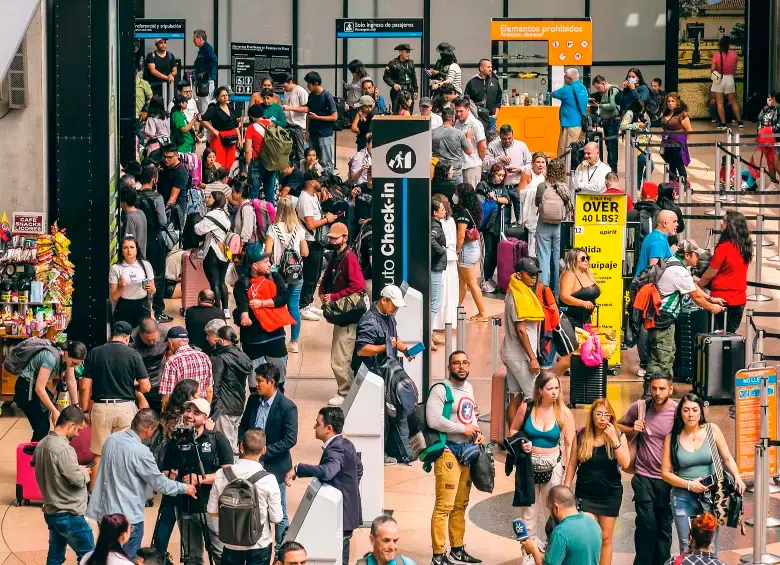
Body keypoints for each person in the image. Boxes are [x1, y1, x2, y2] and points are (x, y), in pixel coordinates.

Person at [87, 410, 196, 559]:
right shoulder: (142, 452)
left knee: (108, 558)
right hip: (127, 518)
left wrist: (156, 474)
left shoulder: (111, 440)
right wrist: (185, 488)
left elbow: (124, 471)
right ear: (149, 430)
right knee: (127, 560)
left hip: (105, 515)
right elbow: (160, 485)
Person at [661, 393, 745, 554]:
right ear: (680, 413)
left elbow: (727, 458)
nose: (691, 414)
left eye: (694, 409)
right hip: (683, 495)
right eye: (686, 410)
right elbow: (665, 473)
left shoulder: (711, 430)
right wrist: (689, 484)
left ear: (701, 411)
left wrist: (737, 477)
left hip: (711, 495)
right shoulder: (672, 438)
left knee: (710, 543)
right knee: (686, 544)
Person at [426, 350, 485, 565]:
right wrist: (463, 428)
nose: (461, 367)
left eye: (465, 363)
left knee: (461, 505)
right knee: (444, 506)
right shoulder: (441, 389)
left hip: (467, 453)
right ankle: (438, 554)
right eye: (456, 363)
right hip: (448, 453)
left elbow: (472, 416)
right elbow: (433, 420)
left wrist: (477, 433)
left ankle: (457, 549)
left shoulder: (468, 388)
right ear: (449, 367)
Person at [159, 399, 233, 565]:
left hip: (211, 507)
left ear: (206, 418)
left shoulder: (217, 439)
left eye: (196, 412)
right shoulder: (176, 440)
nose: (189, 415)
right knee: (192, 558)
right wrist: (170, 476)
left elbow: (228, 473)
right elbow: (165, 470)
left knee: (220, 554)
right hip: (184, 506)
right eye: (187, 411)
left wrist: (200, 479)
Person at [509, 372, 575, 556]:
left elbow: (570, 444)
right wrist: (522, 442)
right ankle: (528, 554)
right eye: (549, 389)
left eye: (556, 388)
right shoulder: (527, 407)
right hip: (528, 467)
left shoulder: (563, 412)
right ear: (540, 391)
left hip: (553, 466)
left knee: (553, 513)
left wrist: (568, 473)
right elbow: (514, 429)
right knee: (528, 514)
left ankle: (552, 554)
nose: (554, 393)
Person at [286, 407, 362, 565]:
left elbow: (328, 472)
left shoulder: (335, 448)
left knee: (340, 556)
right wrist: (349, 489)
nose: (314, 427)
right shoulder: (346, 443)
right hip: (348, 510)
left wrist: (299, 468)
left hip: (341, 513)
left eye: (317, 424)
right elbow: (359, 469)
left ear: (328, 428)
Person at [616, 374, 676, 565]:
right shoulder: (640, 408)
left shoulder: (677, 412)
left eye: (662, 389)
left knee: (664, 527)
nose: (657, 393)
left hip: (668, 479)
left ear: (671, 390)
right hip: (643, 476)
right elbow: (617, 424)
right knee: (646, 524)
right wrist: (633, 429)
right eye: (654, 388)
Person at [80, 321, 150, 483]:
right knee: (123, 453)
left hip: (101, 408)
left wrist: (84, 410)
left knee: (99, 454)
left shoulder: (95, 353)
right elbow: (145, 387)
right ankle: (120, 495)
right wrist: (131, 385)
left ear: (111, 335)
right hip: (126, 408)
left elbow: (84, 386)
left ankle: (94, 496)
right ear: (127, 338)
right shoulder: (133, 354)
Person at [239, 363, 298, 551]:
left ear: (271, 382)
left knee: (279, 514)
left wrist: (264, 452)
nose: (255, 384)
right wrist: (242, 443)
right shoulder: (253, 400)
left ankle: (281, 553)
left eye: (259, 381)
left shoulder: (288, 407)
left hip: (275, 468)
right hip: (250, 464)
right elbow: (243, 425)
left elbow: (290, 439)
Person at [564, 399, 629, 565]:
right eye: (599, 414)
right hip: (585, 494)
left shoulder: (618, 435)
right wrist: (565, 489)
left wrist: (614, 439)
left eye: (606, 415)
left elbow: (625, 463)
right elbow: (572, 464)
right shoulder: (581, 435)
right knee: (588, 537)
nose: (602, 418)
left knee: (606, 538)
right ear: (592, 415)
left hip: (610, 494)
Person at [646, 240, 725, 377]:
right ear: (687, 255)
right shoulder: (679, 272)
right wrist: (712, 308)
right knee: (661, 359)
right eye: (696, 255)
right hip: (663, 318)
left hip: (660, 317)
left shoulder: (671, 261)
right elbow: (696, 297)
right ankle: (653, 393)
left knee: (667, 355)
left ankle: (661, 390)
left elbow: (692, 288)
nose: (699, 259)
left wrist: (711, 299)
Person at [207, 428, 282, 565]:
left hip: (230, 543)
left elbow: (212, 510)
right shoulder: (269, 479)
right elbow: (277, 517)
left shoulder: (222, 474)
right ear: (264, 450)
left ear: (241, 447)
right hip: (259, 543)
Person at [34, 406, 94, 565]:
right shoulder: (64, 449)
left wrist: (75, 468)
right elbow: (77, 480)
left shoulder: (42, 443)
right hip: (69, 514)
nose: (78, 434)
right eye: (78, 429)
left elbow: (50, 467)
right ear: (71, 425)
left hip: (52, 511)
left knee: (55, 556)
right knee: (90, 557)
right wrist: (85, 473)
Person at [319, 222, 366, 406]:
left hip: (348, 317)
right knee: (342, 355)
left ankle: (345, 392)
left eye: (335, 238)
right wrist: (323, 291)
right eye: (330, 237)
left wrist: (334, 296)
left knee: (340, 358)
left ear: (345, 238)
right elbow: (327, 278)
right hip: (342, 315)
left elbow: (358, 285)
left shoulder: (349, 258)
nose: (331, 240)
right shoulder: (337, 255)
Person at [234, 249, 292, 387]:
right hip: (253, 338)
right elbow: (242, 302)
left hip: (275, 334)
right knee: (255, 382)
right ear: (254, 265)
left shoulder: (275, 277)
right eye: (266, 262)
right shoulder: (242, 282)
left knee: (279, 377)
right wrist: (244, 315)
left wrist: (261, 303)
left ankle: (277, 400)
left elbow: (284, 298)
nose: (270, 264)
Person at [265, 199, 308, 352]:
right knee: (294, 306)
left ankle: (277, 338)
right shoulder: (299, 229)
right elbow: (305, 252)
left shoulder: (273, 228)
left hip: (278, 274)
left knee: (277, 303)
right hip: (296, 273)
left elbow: (268, 251)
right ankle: (294, 342)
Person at [519, 486, 602, 565]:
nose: (550, 514)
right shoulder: (593, 523)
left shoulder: (560, 532)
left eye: (549, 508)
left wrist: (533, 549)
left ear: (556, 508)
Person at [698, 210, 751, 332]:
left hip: (722, 299)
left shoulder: (724, 247)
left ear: (731, 226)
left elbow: (711, 273)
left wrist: (699, 285)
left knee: (719, 335)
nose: (721, 223)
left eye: (724, 221)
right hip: (740, 299)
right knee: (731, 334)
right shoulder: (745, 246)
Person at [555, 249, 600, 376]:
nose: (586, 260)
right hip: (570, 319)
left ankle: (580, 383)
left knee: (584, 352)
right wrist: (582, 303)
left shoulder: (587, 274)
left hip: (585, 319)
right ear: (574, 260)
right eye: (582, 258)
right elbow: (564, 296)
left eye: (587, 258)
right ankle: (551, 381)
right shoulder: (570, 275)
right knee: (570, 355)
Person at [135, 163, 170, 323]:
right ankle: (157, 309)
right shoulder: (158, 198)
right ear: (154, 180)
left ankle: (142, 306)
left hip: (137, 240)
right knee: (158, 276)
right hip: (155, 240)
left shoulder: (134, 196)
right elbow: (162, 221)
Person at [297, 179, 337, 320]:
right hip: (310, 241)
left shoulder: (313, 196)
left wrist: (325, 217)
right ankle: (302, 306)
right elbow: (311, 224)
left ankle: (309, 303)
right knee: (309, 275)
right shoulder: (305, 199)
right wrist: (327, 220)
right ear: (312, 181)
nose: (322, 184)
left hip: (317, 241)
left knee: (315, 275)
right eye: (320, 181)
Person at [210, 326, 253, 454]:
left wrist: (212, 411)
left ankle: (228, 472)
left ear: (222, 341)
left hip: (223, 407)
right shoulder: (243, 356)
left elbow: (215, 386)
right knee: (233, 443)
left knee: (224, 445)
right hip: (238, 405)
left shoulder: (220, 358)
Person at [286, 72, 338, 174]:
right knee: (313, 160)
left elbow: (334, 116)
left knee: (326, 161)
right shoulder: (311, 96)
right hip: (313, 134)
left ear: (315, 83)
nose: (307, 86)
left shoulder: (327, 97)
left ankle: (329, 183)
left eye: (309, 84)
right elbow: (308, 113)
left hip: (324, 134)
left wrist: (317, 117)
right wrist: (307, 131)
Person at [482, 124, 532, 221]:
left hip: (518, 186)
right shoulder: (493, 145)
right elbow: (485, 164)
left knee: (521, 218)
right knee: (503, 220)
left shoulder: (521, 145)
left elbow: (530, 164)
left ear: (513, 135)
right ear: (500, 136)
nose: (507, 141)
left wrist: (519, 169)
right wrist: (498, 159)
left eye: (510, 138)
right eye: (505, 139)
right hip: (501, 188)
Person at [534, 158, 570, 287]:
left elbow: (537, 202)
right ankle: (557, 294)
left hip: (543, 223)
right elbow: (568, 205)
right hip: (560, 225)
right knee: (558, 259)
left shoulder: (542, 186)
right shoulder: (564, 188)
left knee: (543, 257)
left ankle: (543, 292)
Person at [454, 183, 487, 322]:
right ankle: (456, 307)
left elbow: (461, 235)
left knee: (472, 283)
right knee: (463, 282)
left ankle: (482, 313)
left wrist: (456, 251)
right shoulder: (476, 207)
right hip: (474, 246)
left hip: (466, 249)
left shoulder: (462, 211)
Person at [159, 326, 213, 410]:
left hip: (181, 411)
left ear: (170, 342)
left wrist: (165, 416)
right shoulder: (204, 357)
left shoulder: (172, 361)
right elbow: (209, 390)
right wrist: (206, 411)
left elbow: (167, 395)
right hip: (199, 410)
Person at [195, 191, 232, 315]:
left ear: (216, 200)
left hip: (213, 251)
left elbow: (199, 230)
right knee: (222, 282)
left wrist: (196, 223)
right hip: (225, 252)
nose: (208, 198)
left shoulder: (212, 215)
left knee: (214, 283)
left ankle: (216, 309)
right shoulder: (226, 215)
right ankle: (226, 309)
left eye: (210, 197)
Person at [476, 164, 510, 293]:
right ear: (492, 173)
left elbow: (507, 200)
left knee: (496, 253)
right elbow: (480, 202)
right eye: (498, 175)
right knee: (487, 253)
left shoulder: (502, 187)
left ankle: (490, 277)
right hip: (486, 226)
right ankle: (484, 280)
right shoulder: (483, 185)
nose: (500, 178)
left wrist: (495, 198)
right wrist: (494, 200)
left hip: (498, 225)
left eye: (502, 175)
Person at [109, 237, 155, 328]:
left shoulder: (146, 265)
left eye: (132, 247)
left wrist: (150, 288)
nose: (129, 250)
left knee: (141, 335)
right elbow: (114, 296)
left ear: (137, 249)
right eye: (125, 248)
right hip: (124, 306)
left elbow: (153, 290)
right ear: (121, 251)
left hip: (142, 305)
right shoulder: (116, 268)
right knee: (124, 334)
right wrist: (121, 287)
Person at [432, 194, 459, 340]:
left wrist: (442, 249)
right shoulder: (451, 221)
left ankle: (436, 323)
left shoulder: (437, 222)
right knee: (449, 292)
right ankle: (448, 321)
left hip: (441, 258)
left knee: (439, 292)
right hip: (451, 257)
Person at [130, 318, 169, 415]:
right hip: (138, 382)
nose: (152, 343)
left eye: (154, 339)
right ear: (140, 334)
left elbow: (171, 352)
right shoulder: (131, 340)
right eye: (148, 340)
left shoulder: (166, 333)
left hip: (158, 380)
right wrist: (139, 395)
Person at [202, 86, 242, 171]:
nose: (225, 97)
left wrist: (239, 136)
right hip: (219, 137)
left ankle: (227, 180)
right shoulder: (213, 107)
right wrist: (213, 130)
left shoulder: (230, 106)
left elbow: (235, 123)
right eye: (223, 96)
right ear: (217, 97)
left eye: (226, 95)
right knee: (219, 160)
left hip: (232, 137)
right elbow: (204, 120)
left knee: (231, 161)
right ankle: (218, 180)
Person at [516, 152, 547, 257]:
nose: (541, 165)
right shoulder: (527, 174)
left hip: (543, 211)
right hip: (531, 211)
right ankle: (531, 259)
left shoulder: (546, 175)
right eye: (538, 162)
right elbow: (519, 192)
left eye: (543, 162)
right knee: (531, 238)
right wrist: (533, 192)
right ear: (533, 163)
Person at [552, 68, 589, 157]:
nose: (564, 79)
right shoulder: (583, 87)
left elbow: (553, 94)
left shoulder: (567, 89)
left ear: (569, 78)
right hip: (582, 125)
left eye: (565, 77)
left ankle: (565, 170)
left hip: (570, 126)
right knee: (579, 150)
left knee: (566, 152)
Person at [244, 103, 276, 202]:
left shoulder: (251, 128)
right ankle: (271, 215)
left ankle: (254, 214)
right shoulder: (272, 125)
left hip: (257, 161)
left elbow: (248, 149)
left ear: (252, 116)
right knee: (270, 192)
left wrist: (248, 163)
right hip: (271, 162)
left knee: (254, 192)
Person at [432, 107, 471, 184]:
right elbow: (469, 151)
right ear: (453, 119)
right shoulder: (459, 133)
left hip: (438, 173)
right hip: (455, 173)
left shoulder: (432, 132)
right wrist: (468, 138)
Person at [454, 98, 487, 188]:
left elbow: (483, 147)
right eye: (456, 111)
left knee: (471, 195)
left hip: (472, 166)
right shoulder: (457, 122)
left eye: (461, 111)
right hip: (460, 166)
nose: (458, 114)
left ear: (468, 110)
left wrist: (484, 164)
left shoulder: (475, 124)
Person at [711, 36, 743, 129]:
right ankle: (740, 122)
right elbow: (735, 68)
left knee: (719, 103)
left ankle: (723, 123)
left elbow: (713, 69)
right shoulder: (734, 54)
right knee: (733, 102)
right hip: (730, 78)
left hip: (719, 79)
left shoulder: (717, 55)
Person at [620, 99, 653, 188]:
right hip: (636, 143)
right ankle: (645, 186)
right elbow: (623, 126)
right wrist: (637, 125)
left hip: (645, 142)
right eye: (640, 108)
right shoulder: (630, 113)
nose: (642, 110)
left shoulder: (643, 113)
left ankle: (637, 189)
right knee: (650, 164)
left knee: (640, 168)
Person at [660, 93, 692, 184]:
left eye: (673, 101)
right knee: (669, 164)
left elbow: (689, 130)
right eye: (669, 101)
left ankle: (684, 183)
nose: (670, 103)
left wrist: (684, 142)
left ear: (677, 102)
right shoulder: (665, 113)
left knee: (679, 163)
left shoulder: (682, 114)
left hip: (678, 143)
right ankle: (671, 183)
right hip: (666, 142)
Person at [591, 75, 620, 172]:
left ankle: (613, 167)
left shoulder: (612, 90)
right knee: (608, 144)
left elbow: (612, 105)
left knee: (612, 145)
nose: (598, 90)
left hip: (613, 121)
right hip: (607, 121)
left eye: (599, 87)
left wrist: (599, 105)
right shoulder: (604, 92)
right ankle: (610, 166)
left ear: (603, 83)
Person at [464, 59, 502, 135]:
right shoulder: (472, 82)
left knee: (492, 140)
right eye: (488, 67)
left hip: (491, 118)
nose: (490, 69)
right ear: (481, 68)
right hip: (477, 118)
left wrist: (495, 115)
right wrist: (472, 117)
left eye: (491, 67)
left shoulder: (494, 82)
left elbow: (498, 99)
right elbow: (466, 102)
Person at [635, 209, 677, 276]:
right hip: (647, 285)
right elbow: (653, 270)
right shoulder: (659, 241)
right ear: (665, 224)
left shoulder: (655, 236)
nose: (677, 224)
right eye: (674, 222)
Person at [280, 74, 308, 165]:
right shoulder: (286, 92)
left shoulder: (301, 91)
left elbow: (306, 109)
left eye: (285, 86)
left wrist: (290, 108)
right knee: (288, 151)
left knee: (301, 153)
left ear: (291, 82)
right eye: (282, 87)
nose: (283, 89)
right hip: (288, 125)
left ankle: (302, 173)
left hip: (298, 126)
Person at [431, 200, 448, 350]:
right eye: (442, 209)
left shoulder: (434, 223)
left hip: (435, 265)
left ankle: (429, 334)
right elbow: (431, 240)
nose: (444, 211)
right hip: (435, 266)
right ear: (434, 212)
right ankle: (428, 335)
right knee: (435, 302)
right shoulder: (435, 225)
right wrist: (441, 250)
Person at [384, 44, 418, 115]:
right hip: (398, 92)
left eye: (409, 52)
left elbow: (414, 78)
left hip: (409, 91)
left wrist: (415, 90)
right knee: (396, 112)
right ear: (400, 52)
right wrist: (393, 85)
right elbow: (386, 77)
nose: (408, 54)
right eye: (406, 52)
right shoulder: (393, 63)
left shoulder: (411, 63)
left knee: (409, 111)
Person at [157, 143, 191, 211]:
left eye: (169, 157)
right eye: (165, 156)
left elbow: (173, 197)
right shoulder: (164, 165)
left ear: (177, 156)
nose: (166, 159)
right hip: (163, 202)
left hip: (176, 209)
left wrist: (164, 213)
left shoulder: (181, 172)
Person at [193, 30, 218, 113]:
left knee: (205, 104)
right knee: (202, 104)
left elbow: (214, 60)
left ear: (200, 38)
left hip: (206, 80)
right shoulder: (202, 49)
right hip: (203, 81)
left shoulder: (206, 48)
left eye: (194, 39)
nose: (193, 41)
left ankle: (206, 124)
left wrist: (204, 71)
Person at [120, 186, 147, 257]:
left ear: (125, 202)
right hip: (142, 257)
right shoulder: (141, 213)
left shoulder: (130, 218)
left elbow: (128, 243)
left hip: (133, 260)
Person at [657, 183, 685, 247]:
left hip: (657, 239)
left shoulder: (655, 207)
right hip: (671, 241)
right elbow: (680, 228)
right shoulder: (675, 209)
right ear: (672, 194)